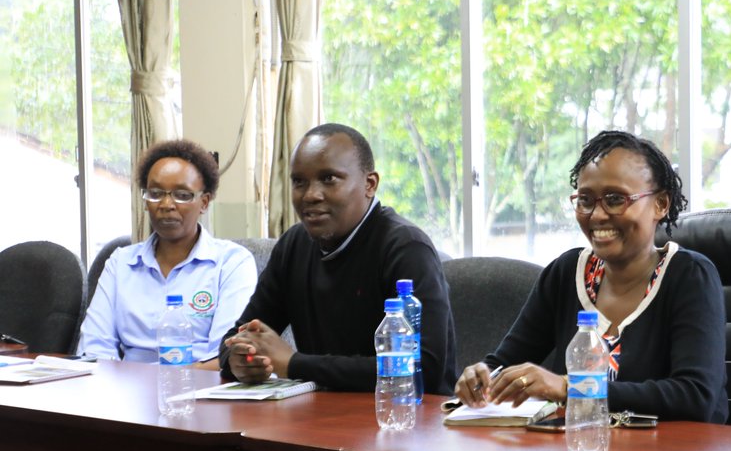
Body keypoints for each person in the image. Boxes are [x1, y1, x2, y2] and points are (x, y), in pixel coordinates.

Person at [454, 129, 728, 424]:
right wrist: (480, 375)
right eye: (585, 200)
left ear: (660, 204)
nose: (596, 215)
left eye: (615, 199)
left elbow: (695, 396)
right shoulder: (566, 272)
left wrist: (569, 387)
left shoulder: (689, 277)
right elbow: (504, 362)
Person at [219, 123, 456, 393]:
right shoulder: (294, 245)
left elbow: (424, 367)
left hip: (405, 419)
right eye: (299, 182)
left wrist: (295, 364)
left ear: (370, 184)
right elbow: (236, 338)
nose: (311, 195)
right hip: (321, 414)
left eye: (329, 179)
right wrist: (239, 361)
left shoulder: (406, 248)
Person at [79, 139, 257, 370]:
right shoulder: (121, 262)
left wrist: (171, 383)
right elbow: (94, 348)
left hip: (205, 392)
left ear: (204, 202)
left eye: (182, 195)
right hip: (128, 394)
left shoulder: (231, 263)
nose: (166, 204)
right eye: (155, 193)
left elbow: (227, 355)